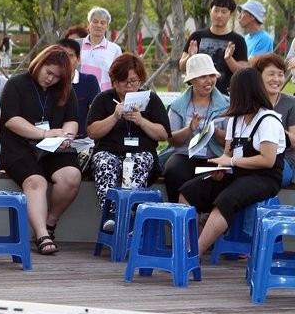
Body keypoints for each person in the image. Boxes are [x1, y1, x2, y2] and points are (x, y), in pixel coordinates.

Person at [179, 66, 286, 256]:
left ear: (242, 93)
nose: (229, 95)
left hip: (264, 178)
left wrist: (232, 162)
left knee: (225, 200)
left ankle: (193, 254)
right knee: (188, 191)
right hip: (236, 173)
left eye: (231, 91)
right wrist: (220, 168)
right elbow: (228, 154)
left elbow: (267, 160)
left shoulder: (268, 120)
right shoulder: (235, 120)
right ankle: (188, 245)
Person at [0, 44, 81, 255]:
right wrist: (44, 134)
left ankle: (50, 222)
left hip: (53, 149)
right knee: (36, 181)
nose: (50, 79)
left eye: (57, 77)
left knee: (71, 176)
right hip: (19, 148)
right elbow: (11, 120)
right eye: (48, 72)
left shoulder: (64, 90)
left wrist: (66, 137)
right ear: (39, 63)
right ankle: (42, 234)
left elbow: (72, 120)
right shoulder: (16, 84)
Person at [85, 53, 170, 233]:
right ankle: (111, 215)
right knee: (104, 161)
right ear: (115, 81)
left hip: (141, 152)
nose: (130, 85)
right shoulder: (103, 99)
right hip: (110, 151)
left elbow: (163, 134)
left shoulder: (151, 99)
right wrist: (114, 116)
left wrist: (141, 121)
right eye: (125, 81)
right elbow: (92, 132)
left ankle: (129, 215)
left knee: (140, 160)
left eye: (134, 81)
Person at [160, 53, 230, 202]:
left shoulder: (227, 104)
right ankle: (179, 211)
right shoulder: (178, 105)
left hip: (214, 155)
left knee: (218, 175)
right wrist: (189, 129)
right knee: (174, 170)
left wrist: (214, 131)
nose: (209, 80)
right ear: (191, 80)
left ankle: (208, 212)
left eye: (212, 75)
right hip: (184, 154)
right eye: (203, 76)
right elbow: (171, 139)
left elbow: (230, 140)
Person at [178, 0, 248, 94]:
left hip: (226, 95)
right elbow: (181, 67)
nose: (219, 15)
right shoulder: (197, 36)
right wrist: (190, 56)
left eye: (224, 12)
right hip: (197, 95)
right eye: (216, 10)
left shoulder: (238, 40)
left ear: (230, 14)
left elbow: (243, 73)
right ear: (210, 11)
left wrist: (229, 59)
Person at [252, 53, 295, 186]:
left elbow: (294, 142)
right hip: (253, 157)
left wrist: (273, 128)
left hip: (283, 160)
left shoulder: (291, 103)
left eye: (280, 74)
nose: (276, 79)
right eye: (271, 74)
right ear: (259, 76)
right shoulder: (251, 103)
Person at [58, 37, 101, 137]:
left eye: (70, 56)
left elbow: (96, 113)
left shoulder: (89, 81)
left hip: (83, 139)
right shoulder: (49, 81)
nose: (66, 60)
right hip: (53, 138)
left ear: (78, 59)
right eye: (62, 55)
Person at [79, 7, 123, 91]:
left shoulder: (115, 49)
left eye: (103, 23)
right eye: (95, 22)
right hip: (78, 94)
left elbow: (118, 76)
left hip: (103, 95)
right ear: (88, 24)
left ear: (107, 27)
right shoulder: (78, 44)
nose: (99, 25)